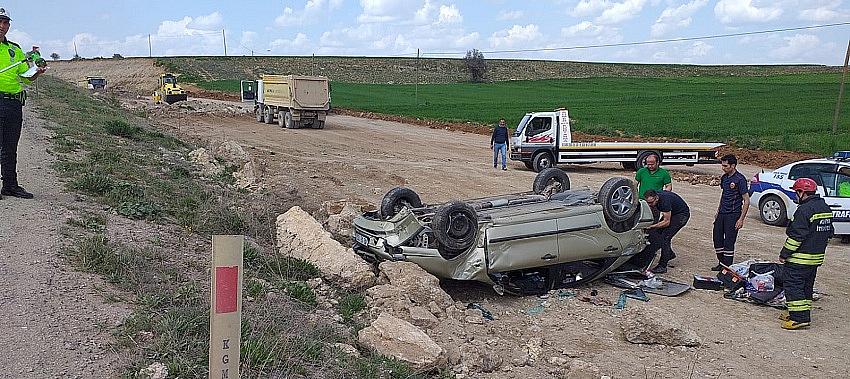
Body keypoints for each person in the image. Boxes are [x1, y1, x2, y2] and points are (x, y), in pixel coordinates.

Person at [0, 7, 45, 199]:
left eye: (6, 22)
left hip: (14, 103)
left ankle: (10, 185)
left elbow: (26, 78)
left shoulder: (15, 50)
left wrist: (36, 72)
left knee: (10, 146)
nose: (2, 26)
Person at [778, 178, 833, 330]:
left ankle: (799, 318)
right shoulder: (824, 208)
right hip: (815, 259)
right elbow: (830, 233)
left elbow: (796, 236)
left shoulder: (804, 210)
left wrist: (784, 254)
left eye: (796, 192)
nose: (795, 196)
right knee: (806, 287)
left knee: (793, 286)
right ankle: (802, 313)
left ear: (802, 192)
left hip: (799, 259)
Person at [711, 154, 750, 271]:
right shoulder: (724, 178)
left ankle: (727, 267)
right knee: (717, 238)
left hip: (733, 214)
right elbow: (724, 195)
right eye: (722, 165)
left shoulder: (740, 179)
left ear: (733, 166)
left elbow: (746, 200)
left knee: (729, 241)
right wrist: (718, 211)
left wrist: (741, 219)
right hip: (722, 213)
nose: (723, 168)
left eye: (726, 166)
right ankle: (721, 262)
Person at [640, 189, 690, 274]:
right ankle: (669, 254)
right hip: (672, 212)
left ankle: (662, 266)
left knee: (665, 238)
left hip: (681, 215)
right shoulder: (656, 198)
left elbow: (666, 222)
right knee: (655, 233)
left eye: (651, 203)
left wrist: (651, 226)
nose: (649, 205)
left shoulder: (664, 202)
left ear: (656, 198)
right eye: (647, 202)